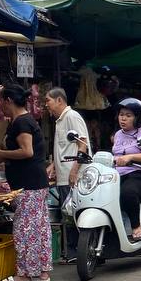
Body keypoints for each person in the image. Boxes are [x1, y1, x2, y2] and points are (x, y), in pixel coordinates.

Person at [0, 85, 52, 281]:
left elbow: (26, 152)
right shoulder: (22, 121)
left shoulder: (22, 122)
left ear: (8, 100)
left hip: (29, 184)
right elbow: (9, 153)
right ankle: (41, 272)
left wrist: (0, 155)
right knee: (39, 227)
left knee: (25, 229)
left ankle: (24, 275)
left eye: (1, 101)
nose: (0, 106)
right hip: (35, 183)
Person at [45, 87, 88, 264]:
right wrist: (54, 165)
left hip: (73, 175)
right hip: (63, 175)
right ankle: (72, 253)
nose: (46, 104)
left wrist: (74, 170)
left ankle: (78, 252)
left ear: (59, 100)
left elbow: (82, 144)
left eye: (48, 100)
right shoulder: (59, 121)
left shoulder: (72, 117)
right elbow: (65, 147)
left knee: (73, 214)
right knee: (67, 214)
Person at [111, 98, 141, 241]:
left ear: (138, 119)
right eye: (121, 114)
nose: (123, 118)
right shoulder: (118, 134)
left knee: (128, 193)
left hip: (140, 174)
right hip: (118, 174)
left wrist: (130, 157)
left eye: (128, 115)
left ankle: (136, 226)